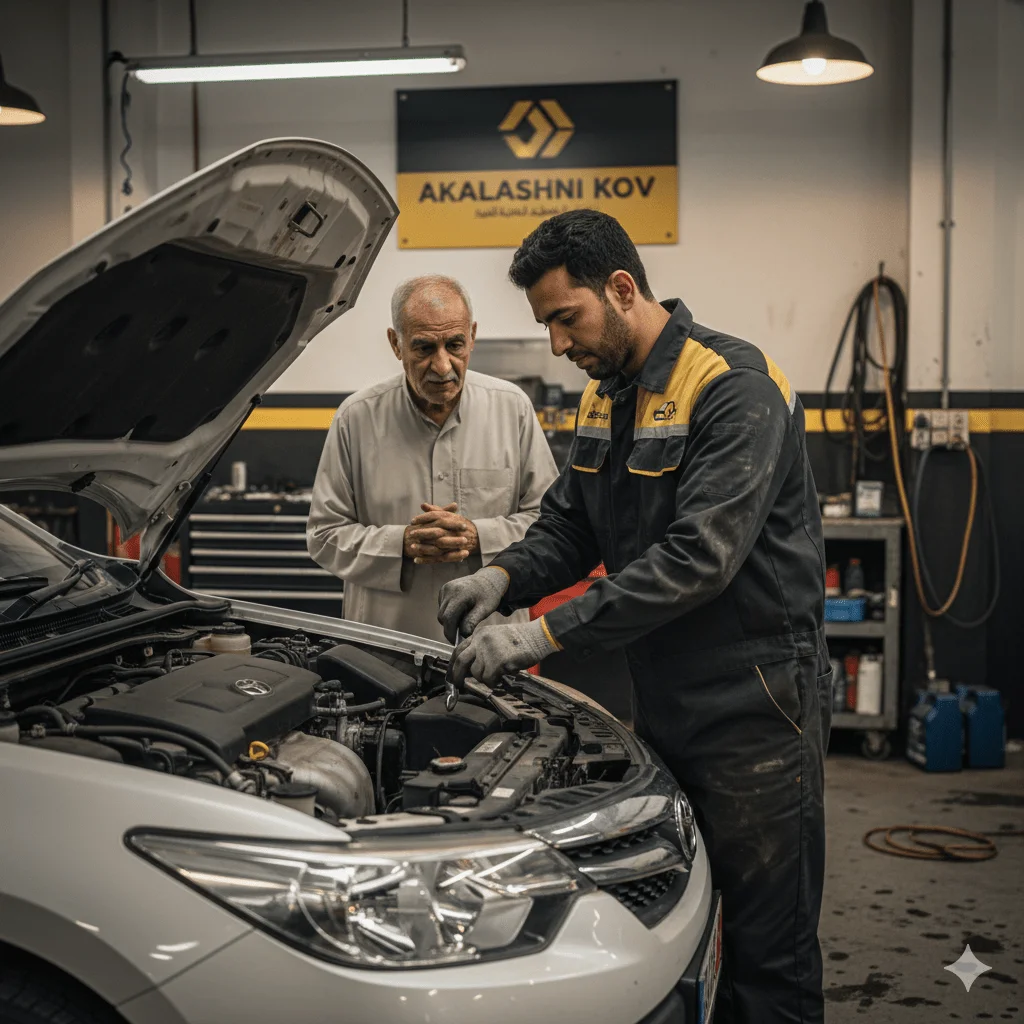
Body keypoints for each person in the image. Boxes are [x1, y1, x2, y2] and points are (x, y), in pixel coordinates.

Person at [437, 212, 830, 1024]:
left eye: (564, 318)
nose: (556, 343)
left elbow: (699, 559)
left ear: (621, 289)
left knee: (769, 953)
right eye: (545, 324)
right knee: (688, 920)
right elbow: (571, 524)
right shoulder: (604, 398)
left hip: (757, 706)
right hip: (665, 697)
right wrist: (503, 575)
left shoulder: (735, 388)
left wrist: (540, 633)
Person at [307, 274, 558, 643]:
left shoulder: (512, 408)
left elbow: (550, 522)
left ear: (472, 335)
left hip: (492, 644)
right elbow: (324, 536)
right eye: (424, 348)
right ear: (396, 343)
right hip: (384, 645)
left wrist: (478, 537)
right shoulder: (356, 418)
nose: (443, 366)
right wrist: (401, 544)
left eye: (455, 345)